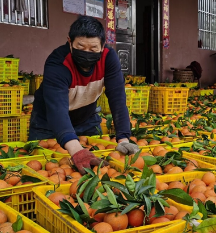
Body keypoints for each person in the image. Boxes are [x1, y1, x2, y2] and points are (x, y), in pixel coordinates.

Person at [29, 16, 139, 174]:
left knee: (94, 168)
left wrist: (123, 138)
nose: (87, 53)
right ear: (70, 42)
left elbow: (117, 99)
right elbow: (57, 110)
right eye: (81, 47)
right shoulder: (58, 63)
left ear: (102, 46)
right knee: (45, 166)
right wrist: (76, 150)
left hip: (85, 120)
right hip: (48, 123)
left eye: (93, 49)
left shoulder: (108, 59)